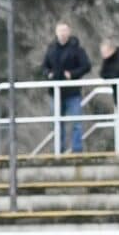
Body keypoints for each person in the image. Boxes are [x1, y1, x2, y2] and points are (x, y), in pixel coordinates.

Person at [41, 22, 90, 154]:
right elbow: (44, 67)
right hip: (55, 93)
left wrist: (72, 74)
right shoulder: (51, 48)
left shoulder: (77, 49)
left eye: (65, 30)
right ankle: (59, 149)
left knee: (76, 123)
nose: (62, 33)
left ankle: (77, 149)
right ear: (56, 33)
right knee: (57, 123)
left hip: (73, 92)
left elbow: (86, 66)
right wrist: (48, 74)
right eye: (60, 31)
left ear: (69, 32)